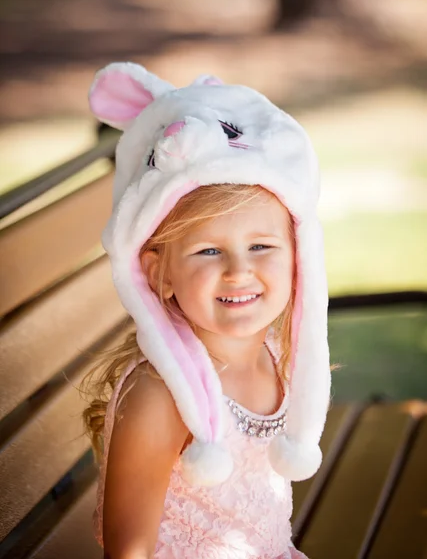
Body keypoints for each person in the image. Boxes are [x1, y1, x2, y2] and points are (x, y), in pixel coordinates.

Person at [82, 62, 331, 559]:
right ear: (159, 273)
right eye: (209, 251)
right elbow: (126, 552)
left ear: (298, 255)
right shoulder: (159, 396)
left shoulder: (278, 352)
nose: (239, 271)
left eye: (261, 246)